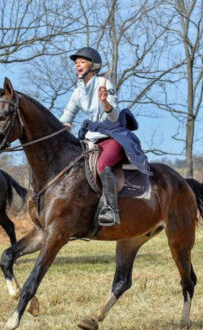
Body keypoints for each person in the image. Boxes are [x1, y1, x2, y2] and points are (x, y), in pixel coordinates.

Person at [60, 47, 150, 226]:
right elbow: (68, 113)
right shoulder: (78, 91)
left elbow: (115, 116)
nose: (77, 65)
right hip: (90, 137)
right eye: (76, 63)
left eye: (82, 62)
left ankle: (112, 210)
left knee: (102, 165)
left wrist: (105, 102)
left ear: (93, 65)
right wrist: (64, 125)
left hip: (112, 136)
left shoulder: (104, 84)